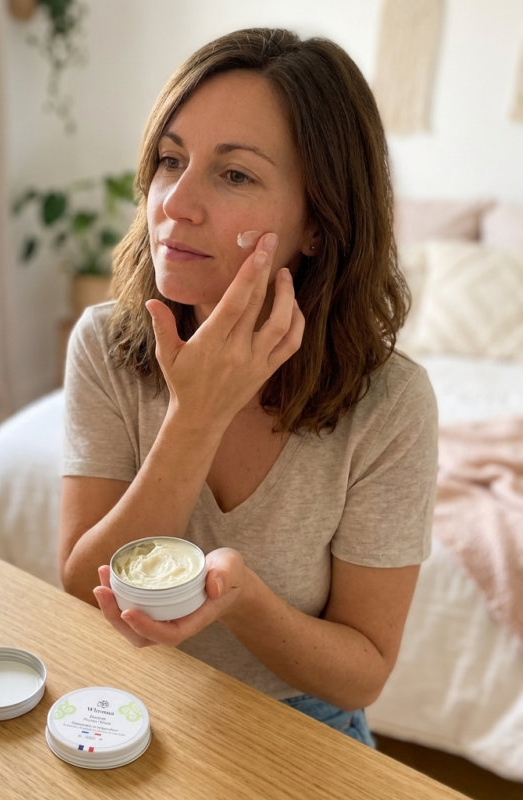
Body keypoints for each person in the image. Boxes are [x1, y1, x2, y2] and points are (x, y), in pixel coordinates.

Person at [57, 28, 438, 748]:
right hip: (131, 696)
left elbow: (362, 676)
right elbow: (82, 587)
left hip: (304, 724)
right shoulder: (104, 345)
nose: (176, 203)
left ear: (318, 224)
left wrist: (239, 597)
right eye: (171, 160)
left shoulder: (392, 404)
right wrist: (194, 418)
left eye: (234, 175)